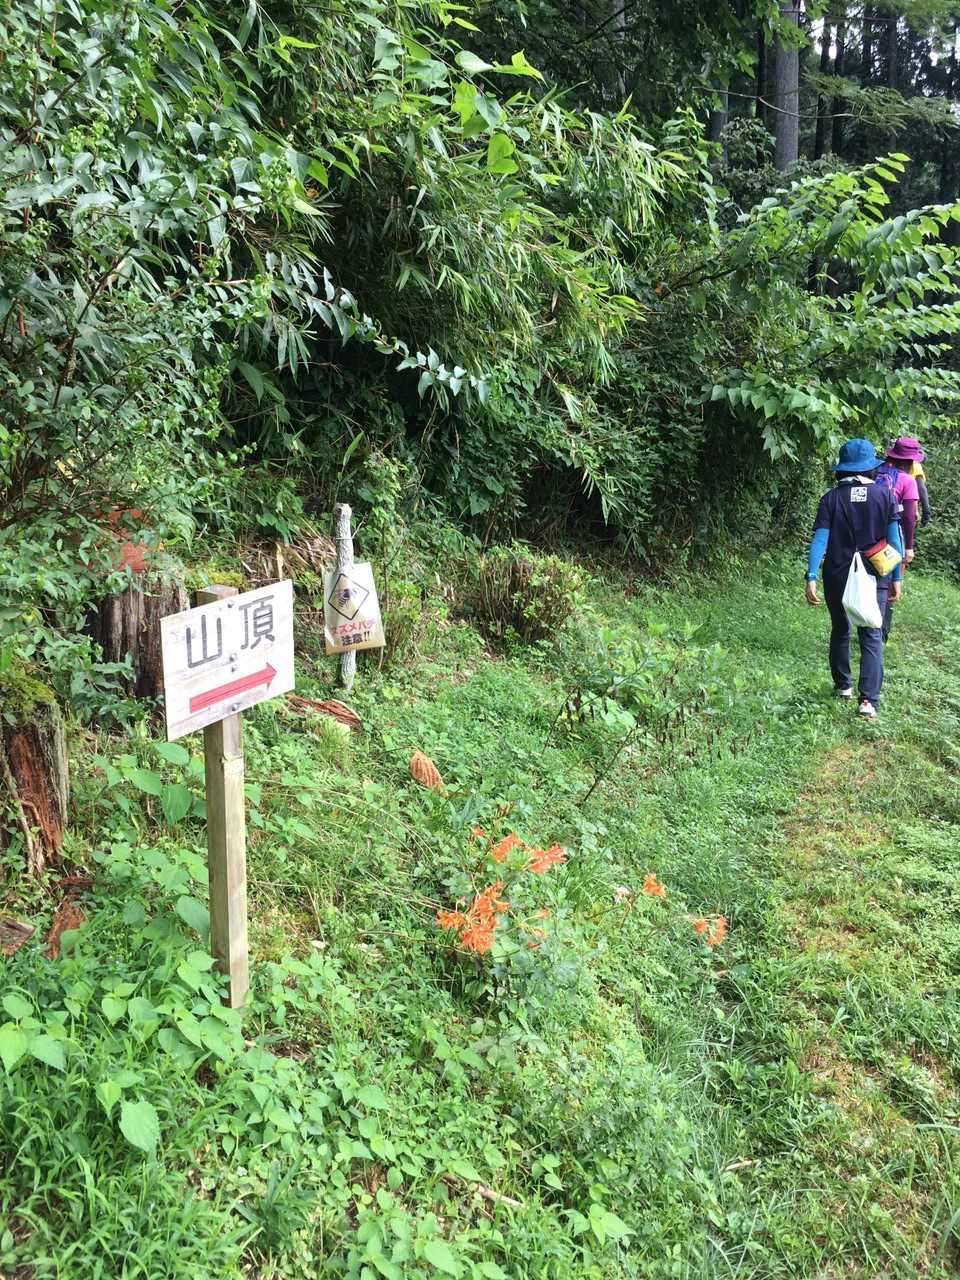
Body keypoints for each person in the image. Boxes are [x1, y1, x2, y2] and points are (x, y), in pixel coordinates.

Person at [805, 438, 903, 720]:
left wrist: (811, 576)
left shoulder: (830, 499)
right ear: (871, 467)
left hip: (837, 573)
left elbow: (820, 539)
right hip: (875, 572)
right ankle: (868, 701)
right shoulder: (886, 496)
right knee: (871, 633)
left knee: (840, 628)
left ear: (843, 468)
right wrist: (896, 577)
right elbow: (895, 541)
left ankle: (843, 686)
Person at [876, 437, 922, 641]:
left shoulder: (874, 471)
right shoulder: (907, 480)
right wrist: (909, 547)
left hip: (864, 535)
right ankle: (880, 634)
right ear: (912, 462)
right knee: (888, 583)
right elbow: (909, 517)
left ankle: (861, 624)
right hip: (891, 537)